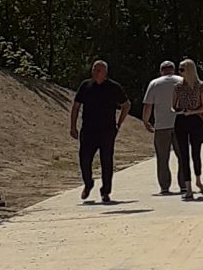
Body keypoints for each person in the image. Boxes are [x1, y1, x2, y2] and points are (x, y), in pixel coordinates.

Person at [69, 59, 128, 203]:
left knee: (106, 161)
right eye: (94, 69)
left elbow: (126, 105)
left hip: (107, 130)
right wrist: (73, 126)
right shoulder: (85, 85)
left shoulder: (113, 87)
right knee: (84, 159)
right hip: (88, 130)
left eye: (99, 70)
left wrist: (118, 124)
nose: (95, 72)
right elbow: (76, 106)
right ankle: (88, 183)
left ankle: (105, 191)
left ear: (105, 72)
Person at [139, 59, 182, 194]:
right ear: (173, 69)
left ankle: (164, 186)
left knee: (162, 158)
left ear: (161, 70)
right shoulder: (182, 81)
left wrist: (146, 121)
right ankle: (184, 184)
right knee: (182, 156)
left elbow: (148, 105)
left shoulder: (155, 83)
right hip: (180, 123)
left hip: (162, 125)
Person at [173, 57, 203, 198]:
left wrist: (192, 112)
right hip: (181, 120)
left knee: (196, 152)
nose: (180, 72)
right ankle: (188, 187)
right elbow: (173, 105)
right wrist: (178, 110)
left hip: (195, 120)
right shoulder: (177, 87)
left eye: (182, 69)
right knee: (183, 154)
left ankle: (198, 181)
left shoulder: (201, 86)